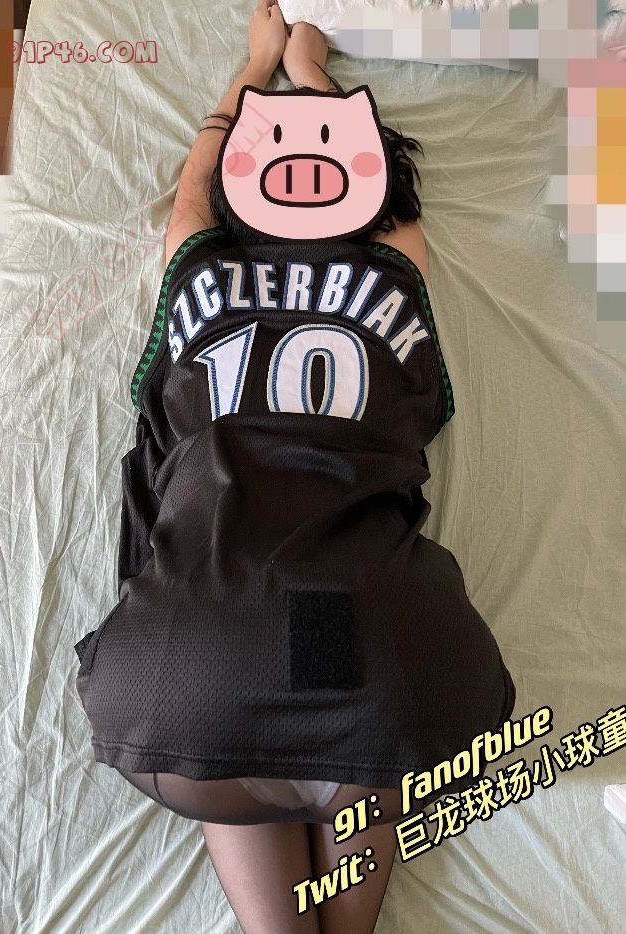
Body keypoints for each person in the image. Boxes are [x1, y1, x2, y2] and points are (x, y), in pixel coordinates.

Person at [74, 3, 516, 931]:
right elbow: (382, 188)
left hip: (196, 674)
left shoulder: (197, 267)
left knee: (218, 721)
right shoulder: (394, 268)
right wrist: (314, 70)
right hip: (387, 674)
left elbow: (195, 188)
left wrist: (252, 70)